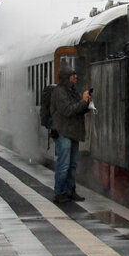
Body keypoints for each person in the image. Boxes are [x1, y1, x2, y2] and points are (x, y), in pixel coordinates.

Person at [50, 69, 92, 202]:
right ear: (67, 78)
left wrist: (86, 103)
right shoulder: (59, 92)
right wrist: (82, 102)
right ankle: (60, 192)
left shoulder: (73, 90)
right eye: (73, 75)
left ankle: (70, 190)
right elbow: (67, 110)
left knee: (73, 164)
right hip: (63, 132)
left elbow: (77, 108)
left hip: (73, 131)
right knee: (64, 164)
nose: (76, 76)